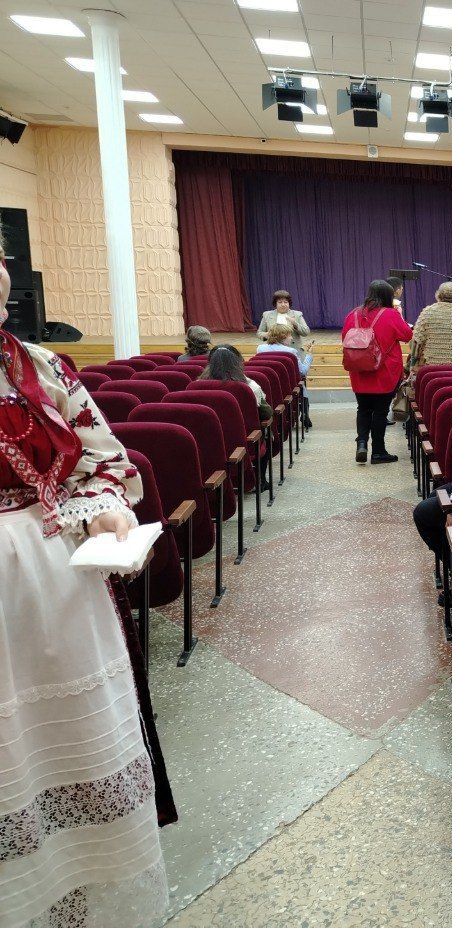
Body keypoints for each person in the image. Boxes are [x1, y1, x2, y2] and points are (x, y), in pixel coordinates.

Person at [0, 240, 169, 925]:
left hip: (57, 589)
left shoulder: (42, 369)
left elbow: (106, 462)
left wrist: (100, 507)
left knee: (65, 758)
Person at [343, 280, 413, 465]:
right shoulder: (391, 314)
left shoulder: (353, 313)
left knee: (363, 409)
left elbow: (345, 338)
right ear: (388, 296)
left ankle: (362, 444)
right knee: (380, 412)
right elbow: (407, 335)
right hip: (384, 371)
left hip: (359, 370)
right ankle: (378, 451)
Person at [258, 323, 313, 430]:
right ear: (283, 337)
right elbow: (303, 371)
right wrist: (309, 356)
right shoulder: (291, 351)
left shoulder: (260, 349)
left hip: (267, 386)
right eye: (289, 335)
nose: (291, 338)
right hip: (287, 387)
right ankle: (305, 414)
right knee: (302, 383)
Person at [409, 282, 452, 370]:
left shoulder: (428, 312)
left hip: (431, 367)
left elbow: (416, 342)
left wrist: (413, 365)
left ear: (438, 294)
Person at [202, 345, 272, 423]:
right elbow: (266, 413)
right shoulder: (249, 386)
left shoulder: (197, 385)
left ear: (210, 363)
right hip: (244, 430)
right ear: (238, 362)